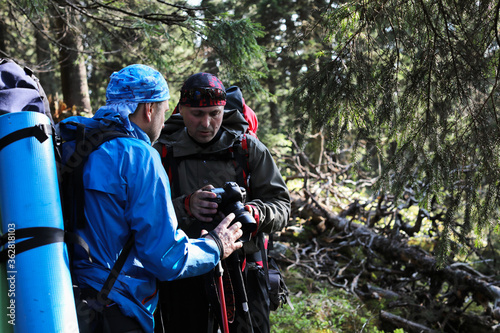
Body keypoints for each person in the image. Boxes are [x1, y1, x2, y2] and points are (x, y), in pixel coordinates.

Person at [57, 65, 244, 333]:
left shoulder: (75, 141)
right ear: (149, 109)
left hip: (65, 298)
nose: (164, 120)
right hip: (116, 307)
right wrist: (215, 245)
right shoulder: (139, 156)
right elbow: (165, 258)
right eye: (164, 110)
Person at [153, 72, 291, 333]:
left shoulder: (248, 149)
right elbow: (145, 214)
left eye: (214, 114)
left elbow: (282, 205)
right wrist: (186, 205)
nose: (206, 123)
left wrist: (252, 213)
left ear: (224, 109)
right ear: (181, 110)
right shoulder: (163, 152)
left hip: (244, 270)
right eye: (196, 114)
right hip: (185, 269)